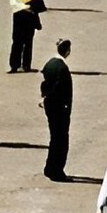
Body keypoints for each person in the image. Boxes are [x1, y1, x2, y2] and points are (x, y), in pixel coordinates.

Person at [40, 38, 73, 183]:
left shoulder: (49, 64)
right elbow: (63, 91)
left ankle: (49, 167)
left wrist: (44, 98)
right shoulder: (62, 68)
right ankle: (57, 170)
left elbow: (44, 84)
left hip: (50, 106)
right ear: (67, 51)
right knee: (61, 139)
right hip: (59, 108)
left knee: (54, 137)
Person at [8, 0, 42, 74]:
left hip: (30, 17)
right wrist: (27, 6)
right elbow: (13, 3)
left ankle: (26, 65)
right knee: (17, 41)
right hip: (19, 16)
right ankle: (14, 65)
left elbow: (37, 3)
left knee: (28, 42)